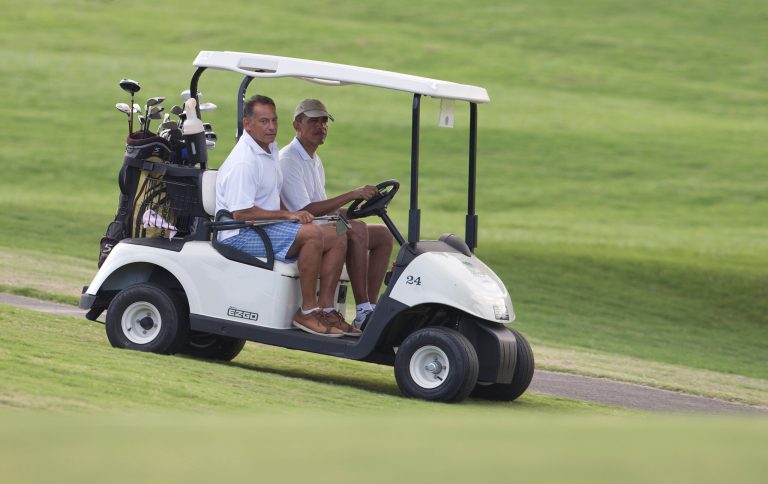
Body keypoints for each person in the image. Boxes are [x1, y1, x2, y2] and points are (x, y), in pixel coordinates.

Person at [215, 95, 361, 337]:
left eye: (274, 120)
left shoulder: (269, 148)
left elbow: (272, 194)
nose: (271, 127)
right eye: (263, 121)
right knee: (313, 234)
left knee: (338, 233)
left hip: (263, 227)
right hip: (238, 234)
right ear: (247, 123)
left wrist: (287, 214)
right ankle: (307, 309)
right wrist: (288, 214)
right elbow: (241, 213)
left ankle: (325, 308)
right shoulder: (245, 161)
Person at [280, 99, 394, 329]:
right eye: (313, 121)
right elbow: (308, 210)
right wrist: (352, 194)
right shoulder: (289, 159)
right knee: (357, 230)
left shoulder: (314, 160)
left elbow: (324, 207)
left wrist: (359, 209)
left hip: (322, 224)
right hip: (301, 230)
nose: (320, 126)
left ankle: (369, 307)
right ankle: (361, 311)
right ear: (297, 125)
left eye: (324, 121)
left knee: (382, 234)